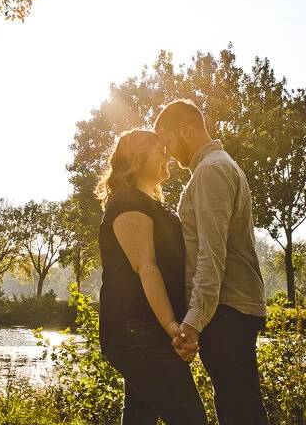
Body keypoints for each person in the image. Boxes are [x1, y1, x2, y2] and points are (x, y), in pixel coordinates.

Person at [155, 100, 270, 425]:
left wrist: (193, 322)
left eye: (168, 142)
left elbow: (211, 253)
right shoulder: (218, 166)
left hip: (226, 312)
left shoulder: (210, 171)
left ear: (185, 130)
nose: (168, 154)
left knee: (240, 412)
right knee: (240, 407)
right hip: (228, 310)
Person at [96, 128, 208, 425]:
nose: (168, 155)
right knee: (191, 419)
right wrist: (173, 326)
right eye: (161, 149)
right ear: (139, 157)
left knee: (140, 418)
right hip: (137, 329)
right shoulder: (128, 201)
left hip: (147, 330)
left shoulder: (149, 203)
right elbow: (145, 266)